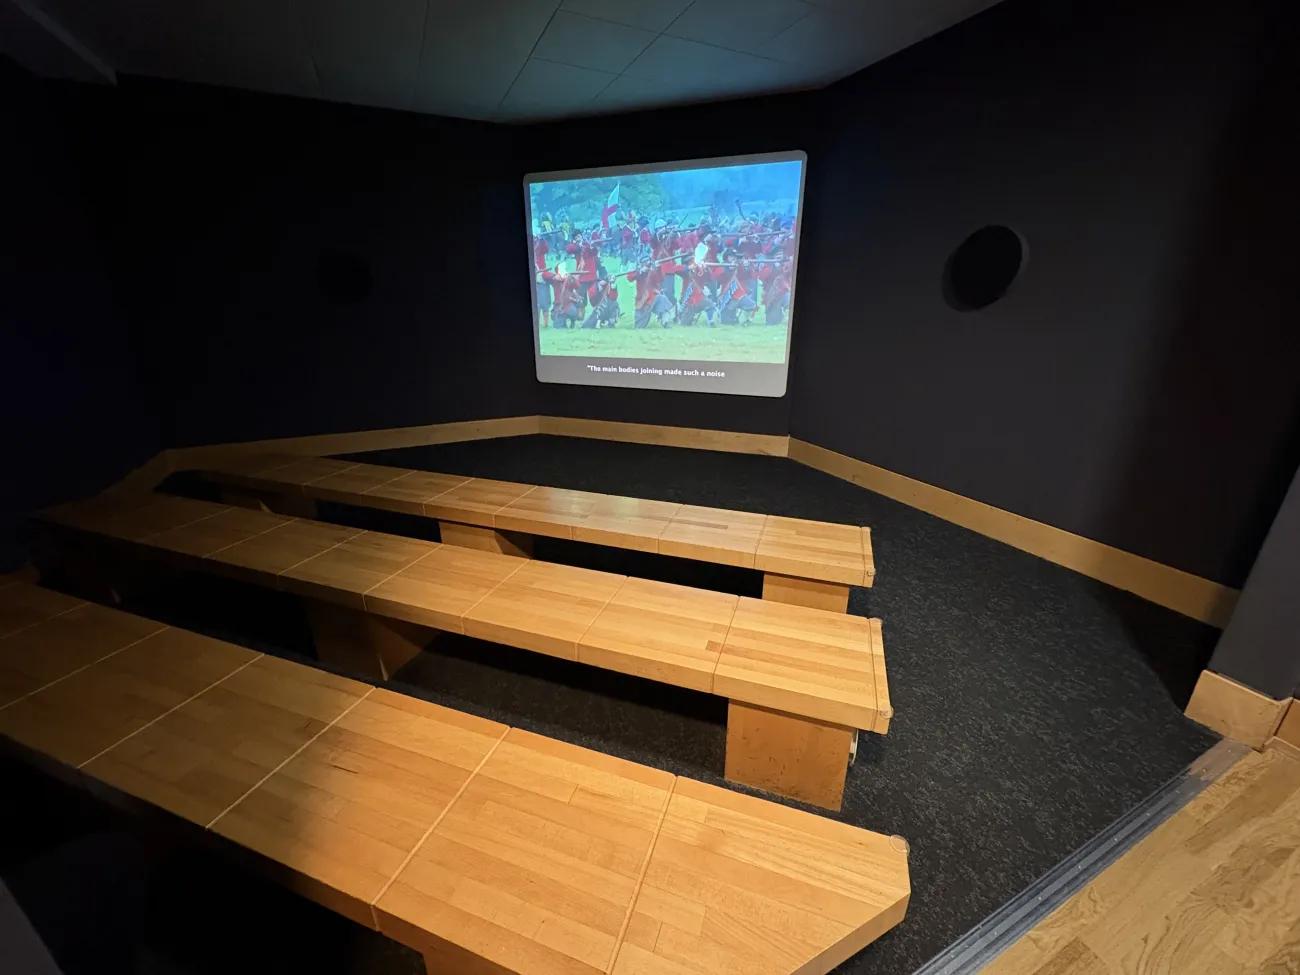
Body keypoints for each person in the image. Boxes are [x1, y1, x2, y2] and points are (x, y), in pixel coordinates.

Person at [626, 257, 682, 329]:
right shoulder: (638, 272)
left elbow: (660, 279)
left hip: (654, 296)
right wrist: (640, 271)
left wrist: (658, 268)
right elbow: (629, 277)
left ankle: (665, 322)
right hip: (643, 301)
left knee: (663, 300)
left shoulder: (652, 271)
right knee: (639, 326)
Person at [757, 250, 794, 325]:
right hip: (771, 295)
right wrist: (770, 267)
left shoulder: (787, 265)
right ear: (774, 256)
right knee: (772, 322)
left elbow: (789, 273)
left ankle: (788, 316)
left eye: (780, 255)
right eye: (777, 255)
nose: (779, 257)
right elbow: (761, 277)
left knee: (790, 299)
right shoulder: (769, 267)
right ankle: (779, 314)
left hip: (783, 292)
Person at [542, 263, 583, 328]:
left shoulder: (570, 279)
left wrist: (572, 278)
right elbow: (544, 274)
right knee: (558, 326)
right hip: (558, 305)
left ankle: (573, 321)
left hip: (569, 304)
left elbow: (577, 285)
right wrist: (554, 276)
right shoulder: (554, 280)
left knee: (573, 312)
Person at [678, 260, 717, 327]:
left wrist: (706, 269)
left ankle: (710, 321)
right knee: (684, 324)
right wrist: (687, 268)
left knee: (710, 304)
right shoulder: (685, 273)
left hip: (699, 299)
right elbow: (676, 270)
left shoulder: (701, 273)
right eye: (691, 263)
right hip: (688, 301)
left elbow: (710, 279)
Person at [533, 236, 551, 329]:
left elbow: (546, 249)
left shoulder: (539, 247)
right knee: (537, 303)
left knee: (544, 302)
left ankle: (545, 324)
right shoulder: (534, 248)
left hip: (542, 277)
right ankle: (536, 323)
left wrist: (542, 240)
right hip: (535, 278)